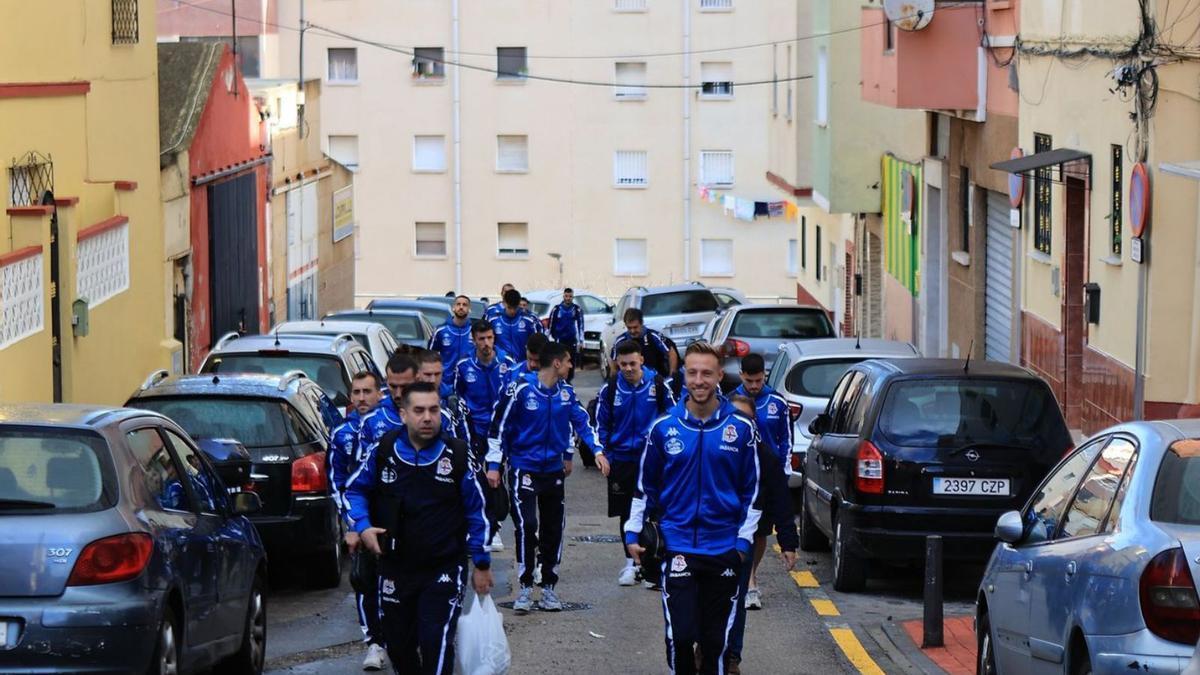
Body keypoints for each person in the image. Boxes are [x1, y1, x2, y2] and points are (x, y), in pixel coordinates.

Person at [625, 341, 760, 675]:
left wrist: (742, 544)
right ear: (684, 375)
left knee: (716, 643)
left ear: (718, 378)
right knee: (682, 637)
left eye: (707, 374)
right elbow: (645, 487)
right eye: (692, 372)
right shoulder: (663, 428)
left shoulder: (741, 429)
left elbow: (753, 492)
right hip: (678, 546)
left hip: (725, 549)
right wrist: (631, 531)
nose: (699, 380)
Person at [344, 383, 493, 675]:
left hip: (444, 568)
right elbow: (354, 491)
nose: (428, 417)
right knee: (398, 646)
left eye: (434, 410)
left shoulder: (457, 455)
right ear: (403, 415)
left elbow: (478, 510)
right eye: (419, 410)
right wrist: (362, 526)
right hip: (394, 568)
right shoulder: (384, 451)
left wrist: (482, 561)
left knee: (435, 642)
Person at [486, 341, 607, 613]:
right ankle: (526, 585)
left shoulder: (565, 393)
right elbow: (498, 427)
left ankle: (549, 586)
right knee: (528, 525)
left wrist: (596, 451)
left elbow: (580, 423)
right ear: (556, 363)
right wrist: (494, 464)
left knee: (553, 528)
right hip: (523, 468)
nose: (571, 366)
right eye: (568, 362)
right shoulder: (519, 389)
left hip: (552, 471)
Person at [726, 394, 798, 675]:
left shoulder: (764, 455)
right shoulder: (714, 449)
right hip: (710, 536)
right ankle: (703, 646)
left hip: (742, 540)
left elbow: (782, 499)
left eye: (746, 419)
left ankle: (732, 656)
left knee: (736, 599)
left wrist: (788, 542)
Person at [596, 340, 675, 586]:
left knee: (654, 511)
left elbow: (672, 419)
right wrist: (604, 453)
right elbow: (601, 424)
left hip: (652, 460)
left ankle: (653, 565)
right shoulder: (609, 389)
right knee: (627, 513)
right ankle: (630, 564)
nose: (628, 369)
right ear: (617, 364)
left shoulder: (659, 386)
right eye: (623, 365)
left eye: (632, 363)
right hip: (621, 460)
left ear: (641, 359)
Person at [328, 371, 388, 671]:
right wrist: (352, 525)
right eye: (357, 392)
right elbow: (337, 482)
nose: (362, 398)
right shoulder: (341, 434)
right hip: (361, 521)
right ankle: (374, 643)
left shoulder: (392, 425)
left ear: (380, 394)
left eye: (368, 392)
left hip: (392, 520)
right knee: (365, 582)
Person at [731, 353, 793, 610]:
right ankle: (745, 581)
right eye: (749, 381)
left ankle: (751, 576)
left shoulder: (778, 403)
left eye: (758, 381)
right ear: (742, 376)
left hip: (768, 477)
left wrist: (784, 471)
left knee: (760, 532)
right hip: (739, 478)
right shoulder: (730, 400)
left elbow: (786, 439)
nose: (754, 386)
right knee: (739, 527)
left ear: (764, 376)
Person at [454, 320, 516, 550]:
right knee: (481, 478)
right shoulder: (464, 367)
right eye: (481, 339)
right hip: (476, 432)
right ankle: (490, 528)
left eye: (489, 338)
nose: (486, 343)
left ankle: (495, 524)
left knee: (496, 476)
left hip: (501, 433)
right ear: (474, 340)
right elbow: (458, 396)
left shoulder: (507, 364)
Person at [359, 352, 419, 460]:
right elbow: (361, 466)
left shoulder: (438, 416)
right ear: (386, 381)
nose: (398, 394)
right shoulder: (371, 419)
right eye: (393, 386)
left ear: (417, 380)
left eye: (404, 386)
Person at [415, 349, 471, 442]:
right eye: (428, 374)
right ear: (417, 374)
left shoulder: (453, 402)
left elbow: (464, 440)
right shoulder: (406, 400)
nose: (432, 380)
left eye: (437, 374)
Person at [608, 308, 677, 379]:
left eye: (635, 327)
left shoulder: (653, 336)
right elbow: (613, 361)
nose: (632, 331)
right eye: (629, 328)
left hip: (655, 379)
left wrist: (672, 376)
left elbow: (671, 353)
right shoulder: (620, 340)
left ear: (641, 323)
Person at [490, 288, 543, 360]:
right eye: (509, 307)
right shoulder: (493, 320)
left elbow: (539, 343)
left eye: (515, 308)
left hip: (522, 365)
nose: (512, 311)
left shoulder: (530, 321)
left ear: (518, 304)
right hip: (500, 365)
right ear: (504, 303)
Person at [548, 288, 585, 383]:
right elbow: (550, 325)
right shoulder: (557, 309)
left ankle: (568, 381)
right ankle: (558, 380)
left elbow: (581, 325)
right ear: (563, 296)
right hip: (560, 340)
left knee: (571, 362)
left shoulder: (577, 309)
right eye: (566, 296)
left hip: (572, 340)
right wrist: (550, 338)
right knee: (559, 361)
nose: (568, 298)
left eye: (570, 296)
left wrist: (581, 341)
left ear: (573, 297)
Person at [429, 295, 475, 373]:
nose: (461, 307)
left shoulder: (474, 331)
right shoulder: (441, 331)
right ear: (453, 308)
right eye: (458, 304)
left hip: (468, 378)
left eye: (464, 305)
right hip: (446, 381)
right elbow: (430, 356)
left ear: (469, 309)